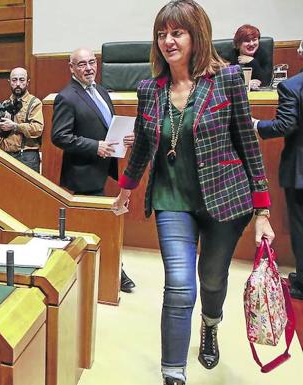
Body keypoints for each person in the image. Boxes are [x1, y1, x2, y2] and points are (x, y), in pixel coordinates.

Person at [111, 2, 275, 384]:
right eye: (161, 33)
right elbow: (141, 148)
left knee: (212, 279)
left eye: (177, 32)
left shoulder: (228, 79)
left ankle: (211, 324)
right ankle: (173, 373)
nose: (167, 41)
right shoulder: (149, 89)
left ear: (196, 35)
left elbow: (247, 144)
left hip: (225, 199)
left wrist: (262, 212)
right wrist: (125, 191)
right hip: (172, 199)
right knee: (180, 285)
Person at [51, 47, 136, 293]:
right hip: (82, 174)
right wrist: (94, 146)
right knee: (99, 227)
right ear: (72, 68)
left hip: (103, 168)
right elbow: (60, 136)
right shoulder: (67, 97)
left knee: (102, 225)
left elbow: (106, 125)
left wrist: (124, 138)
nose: (88, 68)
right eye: (81, 64)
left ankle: (108, 272)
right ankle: (113, 274)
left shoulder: (101, 91)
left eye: (92, 62)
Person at [254, 71, 303, 299]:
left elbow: (285, 125)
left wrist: (256, 125)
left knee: (301, 228)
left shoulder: (292, 85)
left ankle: (302, 283)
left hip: (300, 171)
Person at [0, 67, 43, 172]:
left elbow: (38, 129)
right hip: (6, 154)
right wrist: (1, 128)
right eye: (14, 80)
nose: (18, 83)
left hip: (27, 156)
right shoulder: (5, 103)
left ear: (28, 82)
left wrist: (15, 126)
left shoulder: (35, 103)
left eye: (22, 80)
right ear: (9, 82)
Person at [232, 24, 272, 89]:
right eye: (247, 41)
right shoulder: (229, 56)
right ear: (238, 43)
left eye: (254, 40)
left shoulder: (263, 53)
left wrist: (252, 61)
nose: (251, 44)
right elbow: (227, 82)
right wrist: (247, 84)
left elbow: (267, 82)